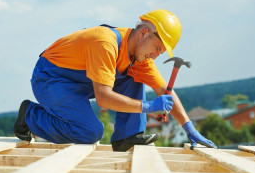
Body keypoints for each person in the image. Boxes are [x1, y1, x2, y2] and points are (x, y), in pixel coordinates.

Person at [14, 9, 217, 151]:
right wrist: (148, 106)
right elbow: (103, 98)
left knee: (134, 74)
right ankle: (30, 116)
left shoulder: (140, 58)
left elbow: (165, 91)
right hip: (51, 78)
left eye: (161, 52)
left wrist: (188, 127)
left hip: (80, 82)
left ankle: (127, 136)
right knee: (90, 132)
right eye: (157, 48)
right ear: (144, 33)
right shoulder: (105, 42)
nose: (156, 55)